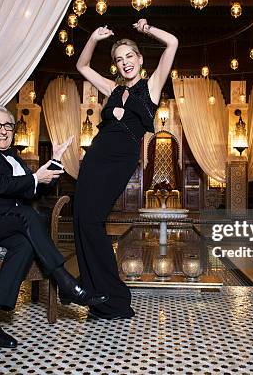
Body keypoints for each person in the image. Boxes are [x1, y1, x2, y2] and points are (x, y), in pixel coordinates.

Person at [0, 106, 107, 348]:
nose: (3, 130)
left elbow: (31, 188)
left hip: (1, 223)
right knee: (26, 214)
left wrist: (54, 162)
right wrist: (34, 178)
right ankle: (65, 284)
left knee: (23, 244)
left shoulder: (13, 156)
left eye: (8, 126)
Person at [75, 19, 178, 319]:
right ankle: (95, 290)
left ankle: (113, 295)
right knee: (83, 219)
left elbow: (172, 43)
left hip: (121, 159)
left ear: (140, 59)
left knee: (93, 221)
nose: (125, 63)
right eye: (119, 60)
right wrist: (93, 38)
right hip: (95, 155)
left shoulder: (152, 87)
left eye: (129, 57)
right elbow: (82, 66)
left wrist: (148, 30)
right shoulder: (111, 88)